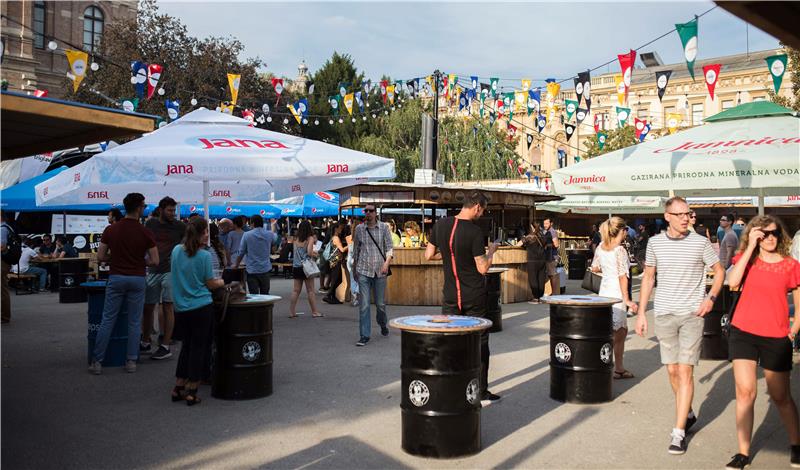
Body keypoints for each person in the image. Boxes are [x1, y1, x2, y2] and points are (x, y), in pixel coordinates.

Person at [635, 196, 724, 455]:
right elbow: (649, 278)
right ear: (668, 216)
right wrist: (641, 313)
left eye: (688, 213)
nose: (686, 218)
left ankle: (678, 432)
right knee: (672, 371)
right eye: (680, 214)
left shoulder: (700, 242)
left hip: (691, 315)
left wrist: (711, 298)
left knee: (685, 372)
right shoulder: (654, 243)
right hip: (663, 314)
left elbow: (719, 271)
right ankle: (689, 411)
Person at [722, 215, 800, 469]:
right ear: (754, 234)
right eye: (763, 233)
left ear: (780, 236)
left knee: (780, 396)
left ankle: (796, 444)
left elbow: (799, 304)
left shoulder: (790, 265)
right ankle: (743, 453)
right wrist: (750, 248)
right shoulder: (747, 260)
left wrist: (794, 329)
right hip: (743, 332)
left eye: (774, 233)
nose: (770, 238)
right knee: (746, 393)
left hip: (776, 336)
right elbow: (732, 283)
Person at [425, 191, 500, 404]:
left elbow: (428, 255)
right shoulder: (475, 232)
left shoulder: (440, 226)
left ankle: (451, 389)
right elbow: (483, 267)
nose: (482, 213)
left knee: (450, 343)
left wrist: (450, 255)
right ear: (477, 206)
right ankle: (481, 391)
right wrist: (492, 251)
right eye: (483, 209)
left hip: (450, 296)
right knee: (480, 343)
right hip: (474, 296)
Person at [89, 193, 158, 375]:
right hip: (137, 278)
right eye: (143, 206)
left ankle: (97, 361)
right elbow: (155, 260)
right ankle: (131, 361)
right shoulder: (146, 232)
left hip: (116, 277)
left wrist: (115, 258)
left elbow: (101, 257)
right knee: (135, 322)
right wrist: (139, 261)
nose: (144, 209)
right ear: (138, 208)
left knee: (108, 319)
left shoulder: (111, 230)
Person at [169, 217, 224, 406]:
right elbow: (210, 283)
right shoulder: (204, 256)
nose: (208, 234)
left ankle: (178, 387)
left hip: (181, 307)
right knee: (199, 348)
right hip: (201, 306)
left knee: (186, 347)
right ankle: (192, 389)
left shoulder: (176, 251)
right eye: (206, 231)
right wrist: (223, 281)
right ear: (201, 234)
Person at [591, 217, 639, 379]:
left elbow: (595, 267)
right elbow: (623, 276)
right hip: (616, 293)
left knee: (614, 331)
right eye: (625, 230)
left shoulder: (601, 247)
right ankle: (611, 367)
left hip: (604, 291)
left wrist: (606, 270)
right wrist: (627, 299)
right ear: (622, 231)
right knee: (618, 332)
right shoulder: (620, 250)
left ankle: (616, 367)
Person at [142, 197, 185, 361]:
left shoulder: (180, 226)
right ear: (161, 210)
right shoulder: (150, 223)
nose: (172, 213)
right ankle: (145, 340)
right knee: (148, 307)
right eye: (169, 210)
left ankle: (165, 345)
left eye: (174, 210)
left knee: (167, 306)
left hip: (170, 271)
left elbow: (190, 240)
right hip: (153, 269)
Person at [351, 203, 393, 346]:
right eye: (366, 211)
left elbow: (389, 248)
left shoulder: (384, 227)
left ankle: (382, 324)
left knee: (380, 304)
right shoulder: (359, 229)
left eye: (371, 211)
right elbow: (356, 249)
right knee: (364, 305)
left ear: (376, 213)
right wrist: (354, 268)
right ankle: (364, 335)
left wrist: (387, 263)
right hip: (363, 270)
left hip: (380, 270)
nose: (368, 213)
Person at [235, 214, 278, 295]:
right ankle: (265, 308)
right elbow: (274, 238)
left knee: (254, 295)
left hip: (252, 270)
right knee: (265, 295)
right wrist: (273, 226)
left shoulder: (247, 235)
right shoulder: (269, 234)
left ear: (253, 223)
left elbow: (241, 252)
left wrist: (236, 265)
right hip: (265, 269)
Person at [288, 221, 322, 318]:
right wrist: (316, 254)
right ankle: (315, 312)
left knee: (296, 291)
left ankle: (292, 312)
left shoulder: (296, 239)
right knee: (310, 290)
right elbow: (309, 252)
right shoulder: (310, 238)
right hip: (306, 267)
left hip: (296, 267)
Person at [518, 224, 547, 303]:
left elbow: (518, 244)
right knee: (541, 278)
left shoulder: (530, 237)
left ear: (533, 228)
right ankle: (540, 297)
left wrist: (524, 238)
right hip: (542, 260)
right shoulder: (543, 236)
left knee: (533, 279)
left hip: (532, 260)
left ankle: (535, 298)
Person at [323, 220, 348, 304]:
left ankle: (332, 297)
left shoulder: (334, 237)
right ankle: (328, 295)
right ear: (336, 229)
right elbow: (341, 249)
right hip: (335, 261)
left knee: (336, 279)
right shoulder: (336, 238)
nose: (341, 229)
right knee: (337, 279)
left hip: (334, 261)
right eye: (340, 228)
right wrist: (350, 244)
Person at [1, 212, 15, 323]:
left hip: (2, 262)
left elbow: (2, 246)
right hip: (5, 262)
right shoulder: (8, 227)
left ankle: (4, 316)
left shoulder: (2, 229)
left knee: (2, 289)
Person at [543, 217, 560, 295]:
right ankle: (552, 293)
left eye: (547, 223)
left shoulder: (552, 232)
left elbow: (556, 244)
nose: (545, 225)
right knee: (550, 275)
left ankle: (554, 293)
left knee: (552, 275)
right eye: (544, 223)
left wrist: (547, 245)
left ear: (551, 223)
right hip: (549, 256)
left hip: (552, 256)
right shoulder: (547, 231)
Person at [346, 218, 361, 307]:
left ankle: (354, 297)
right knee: (360, 279)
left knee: (352, 279)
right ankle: (356, 294)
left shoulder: (348, 238)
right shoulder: (360, 238)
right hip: (358, 259)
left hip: (349, 259)